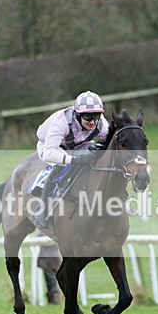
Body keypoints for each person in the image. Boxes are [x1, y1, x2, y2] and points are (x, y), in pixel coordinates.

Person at [33, 90, 110, 228]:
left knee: (98, 153)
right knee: (61, 165)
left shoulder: (101, 123)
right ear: (78, 114)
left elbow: (110, 145)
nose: (92, 122)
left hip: (77, 144)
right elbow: (49, 153)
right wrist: (76, 160)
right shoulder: (61, 122)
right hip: (49, 147)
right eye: (88, 117)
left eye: (96, 116)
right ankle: (42, 210)